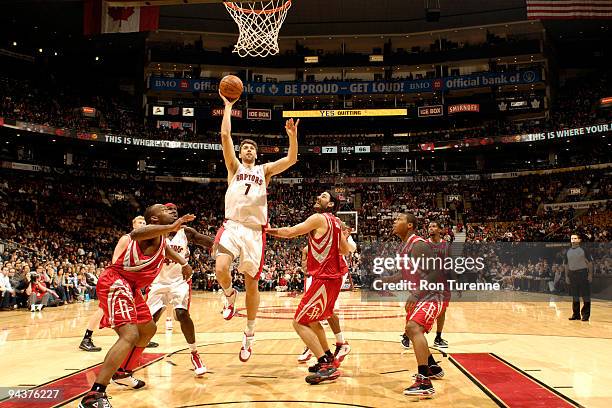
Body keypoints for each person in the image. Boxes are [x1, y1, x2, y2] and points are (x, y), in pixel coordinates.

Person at [78, 205, 195, 408]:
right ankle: (94, 395)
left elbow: (166, 250)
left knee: (149, 328)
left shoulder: (161, 239)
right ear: (155, 220)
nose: (171, 212)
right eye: (165, 211)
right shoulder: (146, 234)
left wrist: (184, 263)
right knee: (130, 334)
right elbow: (136, 232)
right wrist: (174, 226)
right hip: (116, 282)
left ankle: (123, 372)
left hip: (132, 287)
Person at [214, 90, 299, 362]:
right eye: (245, 148)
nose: (248, 150)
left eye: (252, 148)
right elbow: (225, 136)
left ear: (257, 153)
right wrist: (228, 107)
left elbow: (291, 160)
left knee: (253, 285)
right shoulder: (234, 168)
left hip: (254, 233)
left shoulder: (265, 171)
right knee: (220, 267)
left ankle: (249, 334)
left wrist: (292, 138)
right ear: (240, 153)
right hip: (233, 225)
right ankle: (228, 294)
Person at [268, 191, 351, 384]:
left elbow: (290, 232)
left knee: (299, 322)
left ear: (330, 205)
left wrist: (268, 231)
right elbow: (345, 250)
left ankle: (326, 365)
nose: (318, 198)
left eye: (323, 196)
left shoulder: (318, 218)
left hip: (324, 278)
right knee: (314, 321)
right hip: (334, 278)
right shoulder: (337, 223)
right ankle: (329, 358)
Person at [146, 203, 214, 376]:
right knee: (149, 323)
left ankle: (194, 353)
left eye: (175, 210)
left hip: (179, 281)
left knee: (182, 314)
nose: (173, 212)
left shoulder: (186, 232)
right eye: (168, 210)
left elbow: (206, 241)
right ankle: (132, 356)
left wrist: (223, 246)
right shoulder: (153, 232)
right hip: (157, 282)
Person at [390, 213, 445, 397]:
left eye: (399, 219)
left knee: (413, 328)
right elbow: (405, 274)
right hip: (423, 294)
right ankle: (432, 366)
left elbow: (437, 272)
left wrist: (416, 293)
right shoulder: (404, 247)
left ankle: (424, 381)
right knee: (411, 330)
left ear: (410, 225)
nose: (394, 221)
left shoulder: (418, 244)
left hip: (434, 294)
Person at [80, 216, 147, 352]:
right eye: (140, 222)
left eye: (144, 223)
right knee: (102, 309)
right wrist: (122, 278)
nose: (142, 224)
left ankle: (140, 336)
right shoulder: (126, 238)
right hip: (117, 278)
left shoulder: (143, 242)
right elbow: (115, 259)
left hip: (129, 279)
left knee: (139, 306)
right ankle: (86, 338)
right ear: (133, 225)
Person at [298, 222, 354, 364]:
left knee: (322, 310)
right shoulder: (310, 242)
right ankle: (320, 346)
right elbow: (305, 261)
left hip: (335, 272)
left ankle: (319, 347)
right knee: (316, 312)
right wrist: (305, 267)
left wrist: (344, 237)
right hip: (317, 274)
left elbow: (350, 249)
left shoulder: (336, 227)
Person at [400, 220, 452, 350]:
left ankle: (438, 337)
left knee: (442, 310)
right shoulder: (423, 244)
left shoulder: (446, 246)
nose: (431, 228)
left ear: (441, 230)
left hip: (441, 283)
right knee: (414, 306)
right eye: (429, 226)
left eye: (434, 226)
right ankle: (407, 335)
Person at [564, 233, 594, 322]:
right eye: (572, 238)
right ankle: (576, 315)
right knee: (575, 296)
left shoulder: (584, 250)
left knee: (585, 296)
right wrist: (566, 276)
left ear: (579, 240)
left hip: (583, 274)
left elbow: (590, 263)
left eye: (575, 238)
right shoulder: (568, 251)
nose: (573, 240)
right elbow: (566, 265)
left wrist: (590, 274)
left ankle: (585, 315)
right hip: (572, 275)